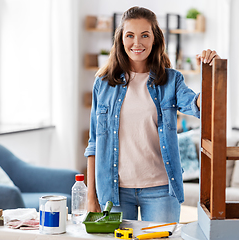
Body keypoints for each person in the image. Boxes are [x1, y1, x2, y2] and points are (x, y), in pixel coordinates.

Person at [84, 6, 219, 222]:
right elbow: (94, 144)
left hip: (161, 190)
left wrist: (210, 73)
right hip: (114, 192)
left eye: (144, 35)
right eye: (130, 35)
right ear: (121, 39)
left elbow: (198, 106)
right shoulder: (103, 84)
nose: (137, 43)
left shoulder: (171, 80)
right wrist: (91, 197)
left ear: (155, 39)